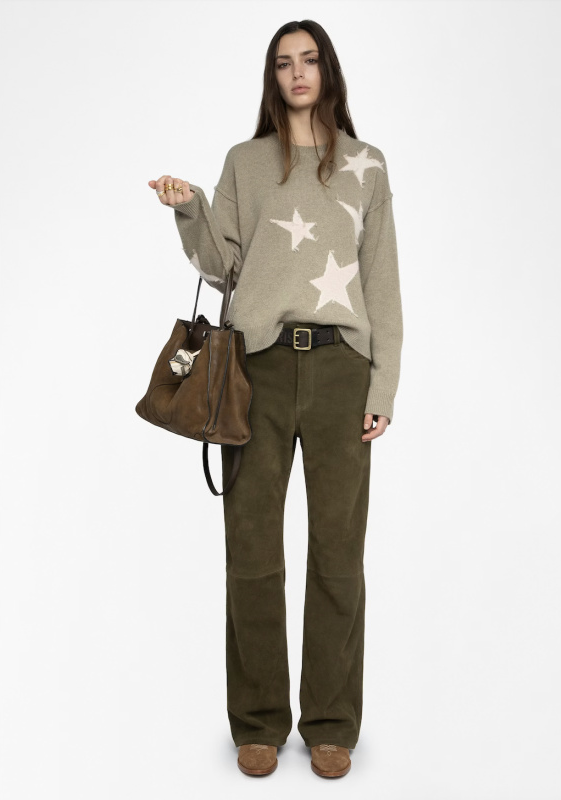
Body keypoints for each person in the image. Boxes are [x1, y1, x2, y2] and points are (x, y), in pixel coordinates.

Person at [147, 19, 403, 780]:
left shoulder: (366, 164)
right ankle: (257, 721)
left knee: (338, 554)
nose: (298, 72)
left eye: (309, 59)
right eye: (285, 62)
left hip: (341, 371)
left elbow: (382, 280)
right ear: (273, 76)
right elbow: (222, 265)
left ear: (328, 71)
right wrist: (190, 206)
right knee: (253, 551)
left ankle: (331, 724)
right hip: (255, 368)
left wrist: (383, 383)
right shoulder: (246, 162)